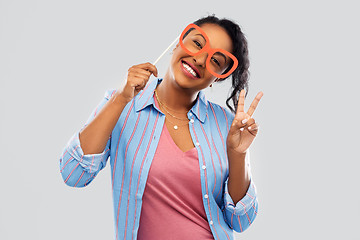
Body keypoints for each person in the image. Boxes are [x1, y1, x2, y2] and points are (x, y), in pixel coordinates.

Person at [59, 14, 263, 240]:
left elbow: (240, 221)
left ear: (218, 78)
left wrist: (239, 154)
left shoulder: (225, 124)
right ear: (179, 41)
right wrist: (120, 100)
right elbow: (73, 173)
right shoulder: (122, 105)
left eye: (215, 61)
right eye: (197, 43)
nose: (200, 59)